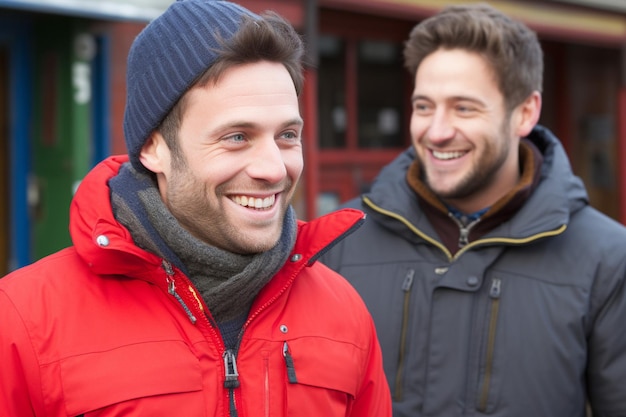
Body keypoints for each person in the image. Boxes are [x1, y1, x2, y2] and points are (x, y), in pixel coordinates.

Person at [0, 1, 391, 415]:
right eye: (237, 137)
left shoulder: (343, 311)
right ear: (153, 148)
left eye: (288, 135)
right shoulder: (23, 320)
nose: (274, 168)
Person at [320, 3, 626, 417]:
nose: (438, 131)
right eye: (424, 106)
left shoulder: (608, 259)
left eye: (464, 108)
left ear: (525, 113)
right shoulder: (341, 240)